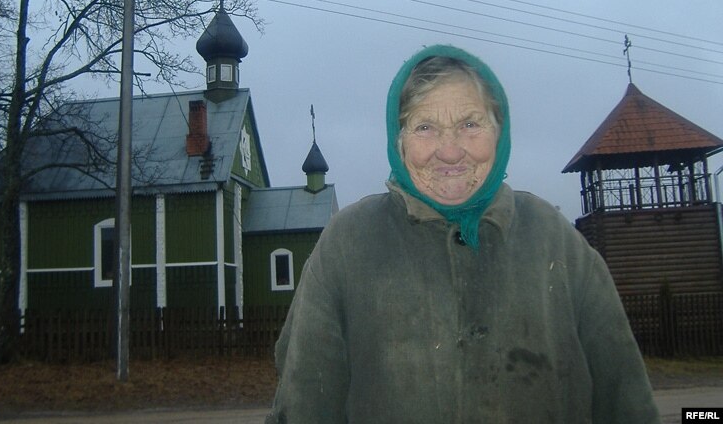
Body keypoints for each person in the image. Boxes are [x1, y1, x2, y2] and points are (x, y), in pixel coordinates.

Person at [265, 44, 660, 423]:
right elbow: (304, 403)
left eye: (470, 124)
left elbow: (627, 399)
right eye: (425, 127)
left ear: (499, 132)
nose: (450, 152)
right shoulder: (348, 244)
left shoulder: (555, 241)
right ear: (398, 141)